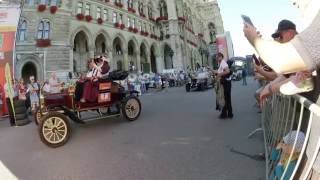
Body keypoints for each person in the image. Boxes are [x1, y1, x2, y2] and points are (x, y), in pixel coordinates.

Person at [215, 52, 233, 119]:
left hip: (225, 83)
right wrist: (211, 70)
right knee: (227, 98)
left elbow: (227, 71)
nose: (216, 58)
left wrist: (219, 75)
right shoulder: (221, 63)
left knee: (224, 98)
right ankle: (229, 113)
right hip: (226, 83)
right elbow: (218, 72)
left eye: (217, 57)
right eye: (216, 57)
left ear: (220, 57)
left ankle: (224, 114)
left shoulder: (223, 63)